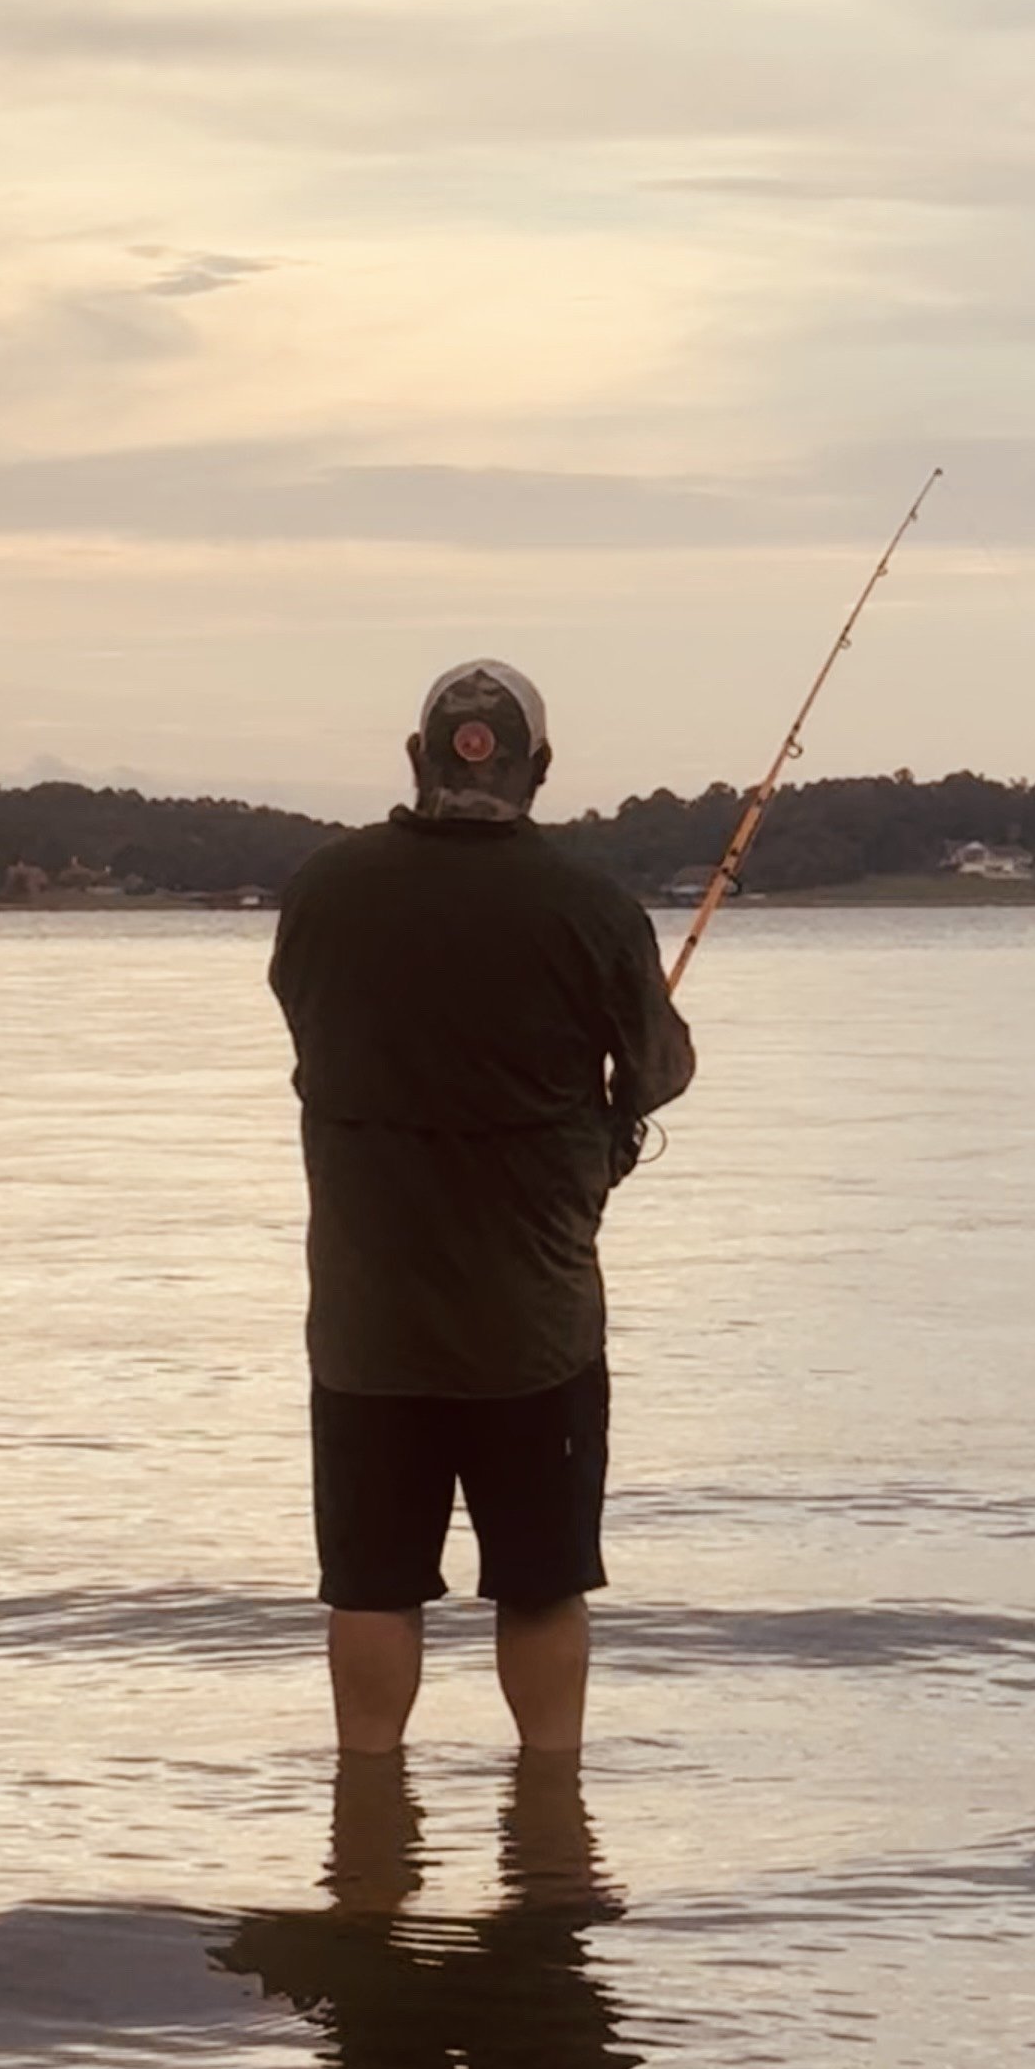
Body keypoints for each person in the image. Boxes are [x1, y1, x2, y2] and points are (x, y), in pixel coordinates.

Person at [268, 659, 695, 1757]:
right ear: (540, 769)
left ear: (417, 760)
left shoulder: (323, 889)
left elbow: (311, 1037)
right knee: (543, 1587)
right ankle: (549, 1820)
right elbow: (657, 1072)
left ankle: (367, 1822)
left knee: (369, 1585)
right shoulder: (592, 908)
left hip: (366, 1328)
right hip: (535, 1332)